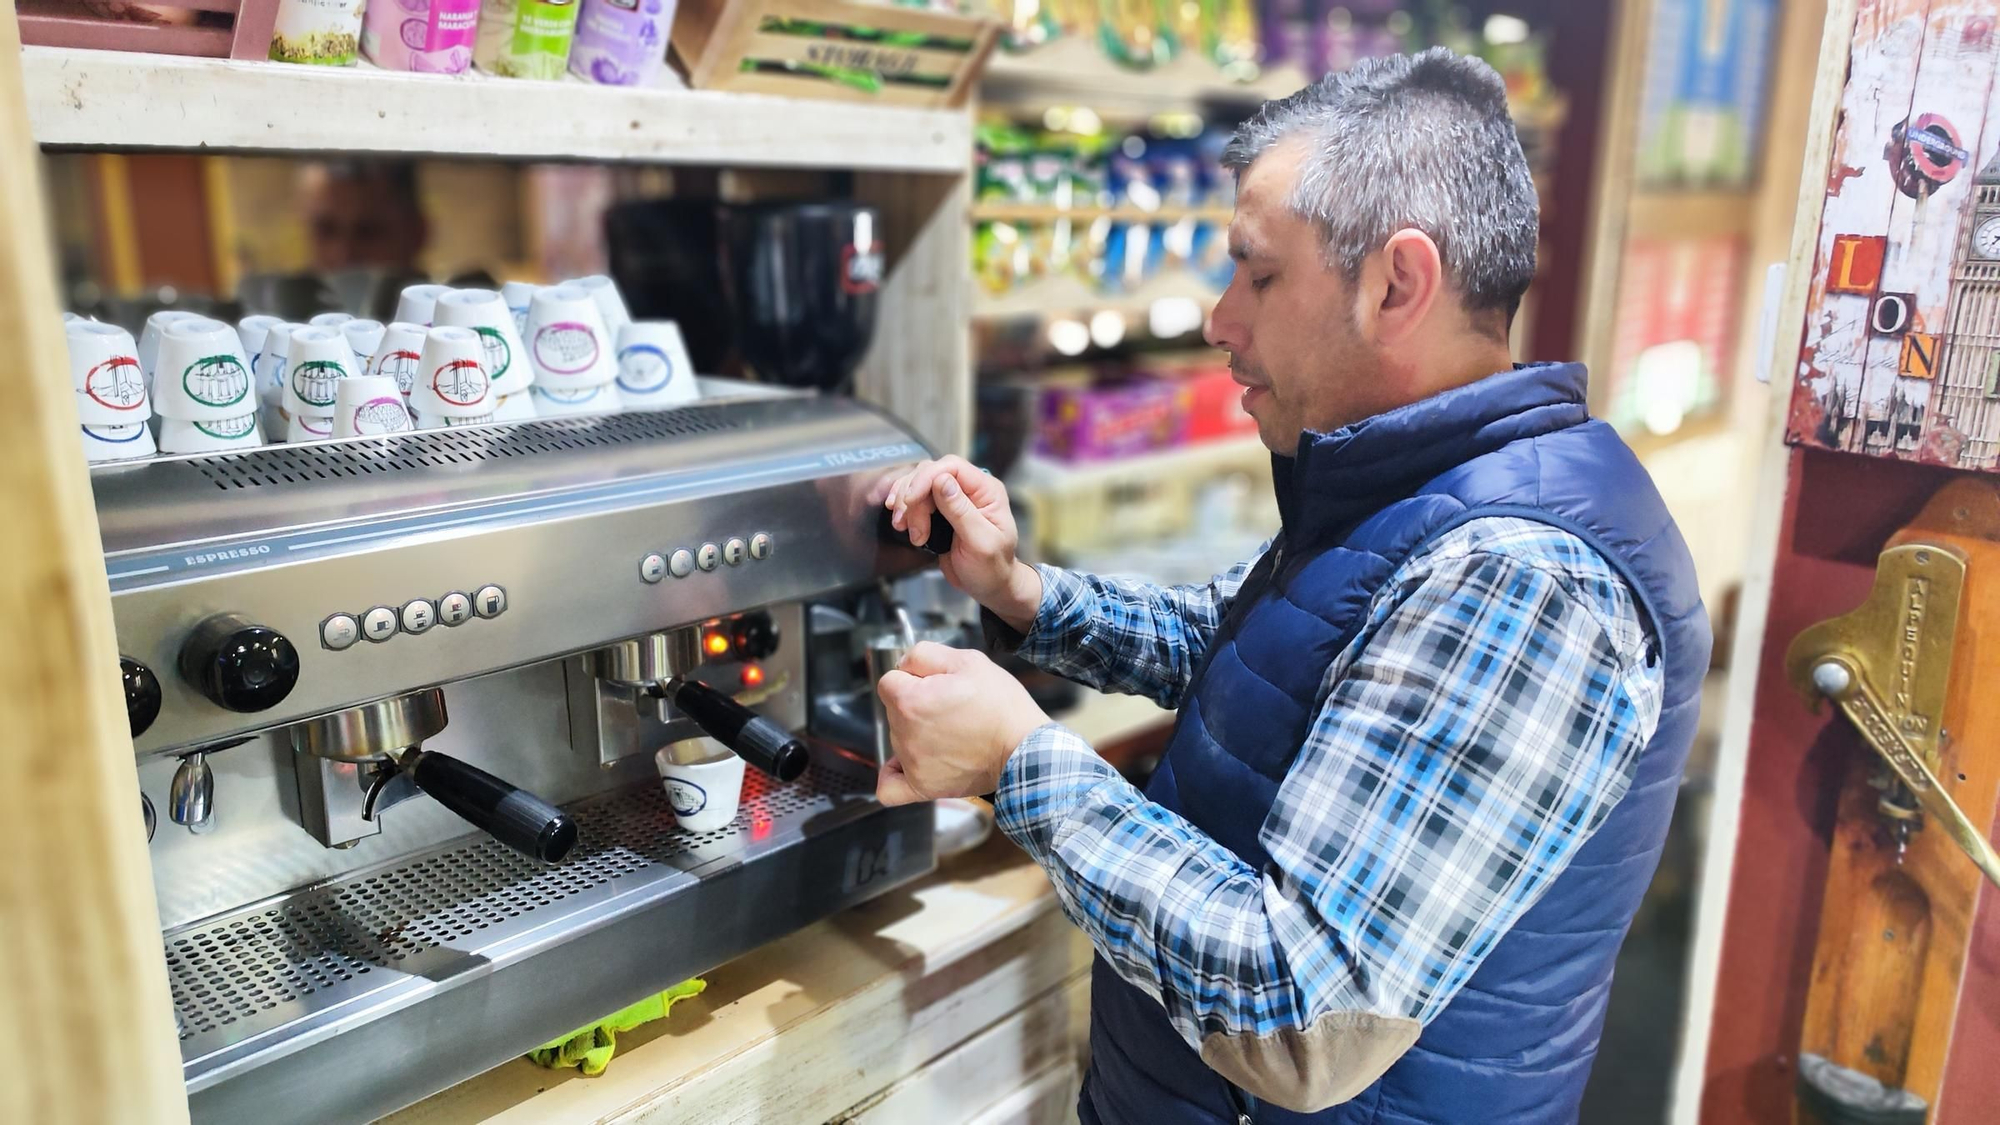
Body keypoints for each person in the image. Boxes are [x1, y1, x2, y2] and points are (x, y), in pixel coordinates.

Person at [873, 48, 1709, 1125]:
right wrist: (1023, 591)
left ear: (1396, 284)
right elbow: (1253, 651)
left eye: (1258, 275)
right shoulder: (1412, 485)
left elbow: (1302, 1013)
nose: (1221, 319)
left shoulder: (1522, 578)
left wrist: (1018, 762)